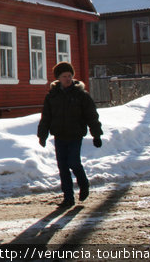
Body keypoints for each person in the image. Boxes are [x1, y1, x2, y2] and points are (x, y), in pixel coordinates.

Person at [37, 61, 103, 207]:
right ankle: (68, 198)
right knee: (63, 166)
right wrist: (42, 135)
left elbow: (91, 116)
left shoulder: (81, 95)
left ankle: (83, 183)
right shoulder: (52, 96)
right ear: (58, 78)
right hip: (59, 136)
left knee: (73, 162)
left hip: (75, 135)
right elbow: (46, 117)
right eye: (64, 76)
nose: (68, 79)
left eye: (69, 76)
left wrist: (96, 135)